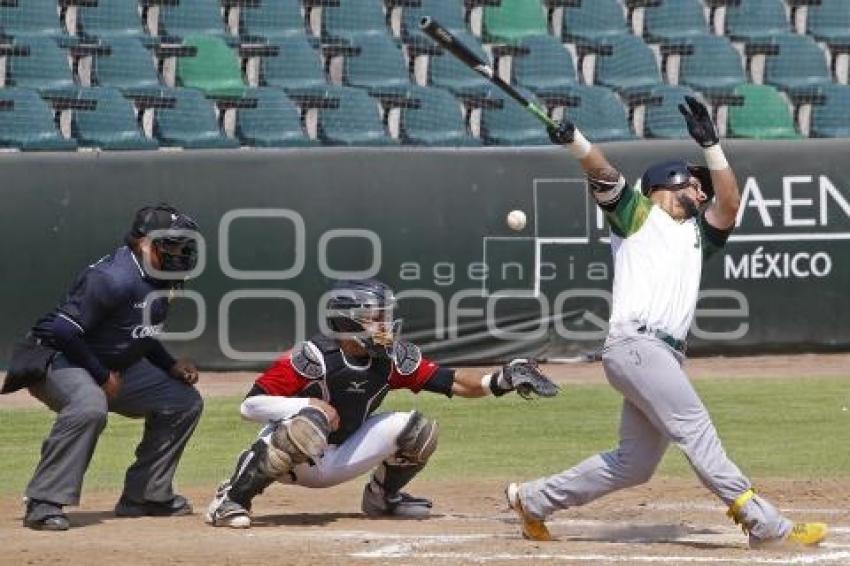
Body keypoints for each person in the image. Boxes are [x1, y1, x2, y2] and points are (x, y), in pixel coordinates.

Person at [504, 97, 827, 548]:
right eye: (696, 184)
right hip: (638, 346)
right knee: (697, 432)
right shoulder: (637, 216)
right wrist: (576, 142)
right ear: (671, 182)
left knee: (634, 465)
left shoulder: (697, 236)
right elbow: (604, 175)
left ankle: (535, 500)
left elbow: (731, 204)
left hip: (661, 356)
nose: (704, 192)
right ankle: (766, 526)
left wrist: (712, 145)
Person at [205, 278, 550, 528]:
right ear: (348, 319)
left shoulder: (391, 358)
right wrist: (306, 404)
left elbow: (455, 382)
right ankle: (232, 498)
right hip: (293, 455)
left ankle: (382, 499)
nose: (385, 325)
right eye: (376, 317)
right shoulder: (313, 356)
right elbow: (250, 406)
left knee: (418, 431)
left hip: (340, 456)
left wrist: (502, 379)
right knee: (310, 420)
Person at [19, 204, 204, 531]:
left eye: (184, 243)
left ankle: (145, 495)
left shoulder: (164, 276)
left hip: (111, 363)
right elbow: (64, 331)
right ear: (144, 243)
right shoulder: (112, 278)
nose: (181, 251)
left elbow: (138, 332)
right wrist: (101, 376)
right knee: (90, 405)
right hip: (56, 356)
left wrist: (170, 364)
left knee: (183, 401)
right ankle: (43, 501)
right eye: (172, 243)